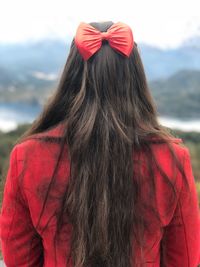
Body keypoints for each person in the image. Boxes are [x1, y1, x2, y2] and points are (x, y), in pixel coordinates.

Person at [0, 21, 200, 267]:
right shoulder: (172, 158)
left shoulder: (27, 157)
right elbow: (185, 259)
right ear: (136, 79)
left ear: (70, 76)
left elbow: (18, 259)